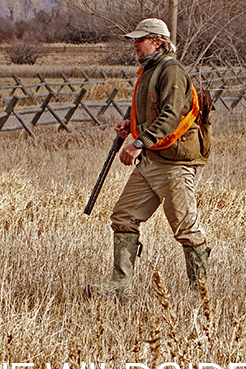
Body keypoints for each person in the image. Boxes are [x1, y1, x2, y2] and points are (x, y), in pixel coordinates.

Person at [87, 18, 211, 299]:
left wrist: (139, 142)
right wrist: (129, 123)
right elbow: (149, 112)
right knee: (123, 217)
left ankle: (199, 294)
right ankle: (120, 287)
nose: (135, 44)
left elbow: (170, 116)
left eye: (139, 39)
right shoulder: (149, 71)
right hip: (152, 161)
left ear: (157, 41)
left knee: (186, 230)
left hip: (174, 164)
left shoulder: (172, 71)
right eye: (134, 39)